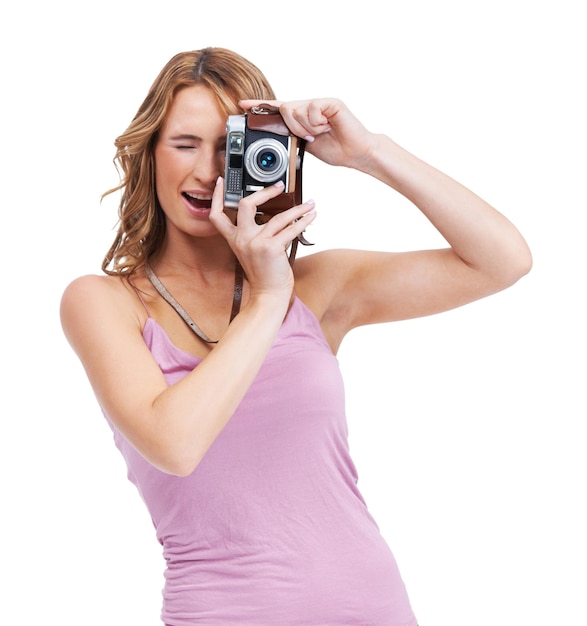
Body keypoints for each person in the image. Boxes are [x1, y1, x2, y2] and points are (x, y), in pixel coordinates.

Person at [60, 47, 532, 626]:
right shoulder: (103, 301)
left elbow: (501, 262)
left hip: (375, 607)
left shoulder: (318, 287)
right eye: (185, 144)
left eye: (232, 147)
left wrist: (369, 153)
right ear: (148, 152)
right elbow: (174, 444)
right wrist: (264, 297)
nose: (208, 172)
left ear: (276, 155)